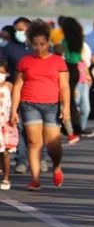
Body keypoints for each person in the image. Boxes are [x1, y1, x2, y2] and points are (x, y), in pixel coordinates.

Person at [11, 20, 70, 191]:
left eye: (42, 44)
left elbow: (64, 86)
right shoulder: (24, 61)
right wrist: (14, 110)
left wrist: (66, 107)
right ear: (30, 43)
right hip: (29, 105)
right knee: (33, 142)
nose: (39, 48)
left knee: (53, 144)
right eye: (35, 44)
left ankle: (57, 166)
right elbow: (18, 85)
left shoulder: (58, 62)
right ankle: (35, 178)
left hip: (52, 105)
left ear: (48, 43)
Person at [3, 17, 32, 174]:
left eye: (22, 29)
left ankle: (40, 157)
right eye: (17, 29)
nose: (19, 32)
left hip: (36, 92)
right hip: (16, 91)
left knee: (36, 128)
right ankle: (22, 159)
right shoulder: (9, 48)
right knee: (19, 126)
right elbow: (3, 68)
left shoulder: (37, 47)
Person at [61, 17, 84, 135]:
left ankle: (70, 124)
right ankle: (76, 124)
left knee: (67, 98)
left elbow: (65, 56)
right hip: (76, 69)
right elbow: (79, 57)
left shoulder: (65, 41)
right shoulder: (79, 40)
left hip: (67, 68)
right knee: (72, 99)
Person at [0, 60, 16, 190]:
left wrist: (14, 114)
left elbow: (15, 100)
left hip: (5, 124)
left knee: (5, 153)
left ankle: (6, 177)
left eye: (2, 72)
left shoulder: (9, 86)